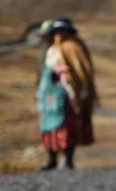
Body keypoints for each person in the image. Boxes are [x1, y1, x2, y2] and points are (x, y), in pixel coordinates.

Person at [35, 17, 98, 170]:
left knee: (66, 127)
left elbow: (80, 72)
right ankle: (53, 159)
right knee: (51, 127)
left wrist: (73, 88)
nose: (58, 36)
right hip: (51, 95)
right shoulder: (52, 50)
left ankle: (67, 160)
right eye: (56, 33)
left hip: (66, 95)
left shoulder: (72, 47)